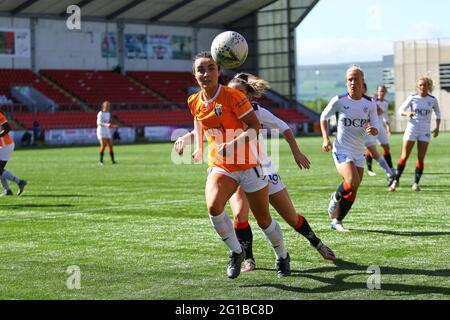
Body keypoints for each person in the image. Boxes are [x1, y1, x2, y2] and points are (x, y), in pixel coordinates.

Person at [175, 73, 336, 272]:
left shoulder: (257, 112)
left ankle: (316, 244)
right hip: (235, 171)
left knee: (288, 217)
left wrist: (296, 151)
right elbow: (204, 128)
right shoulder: (222, 109)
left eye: (240, 93)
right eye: (232, 92)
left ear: (248, 96)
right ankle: (247, 258)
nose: (235, 96)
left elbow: (284, 128)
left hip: (264, 170)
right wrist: (187, 140)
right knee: (240, 216)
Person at [187, 52, 290, 279]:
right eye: (200, 70)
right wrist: (195, 144)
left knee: (263, 220)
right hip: (221, 166)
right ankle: (236, 252)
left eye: (211, 68)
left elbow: (254, 126)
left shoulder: (233, 96)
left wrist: (234, 143)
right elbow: (200, 122)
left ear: (219, 72)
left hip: (249, 165)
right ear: (194, 75)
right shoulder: (193, 101)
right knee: (214, 207)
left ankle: (282, 256)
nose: (206, 73)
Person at [320, 65, 379, 232]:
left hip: (358, 151)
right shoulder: (339, 100)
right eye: (350, 79)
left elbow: (375, 125)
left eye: (356, 79)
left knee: (354, 188)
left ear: (362, 81)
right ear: (346, 83)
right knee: (352, 181)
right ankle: (335, 197)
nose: (353, 82)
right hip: (341, 149)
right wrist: (325, 138)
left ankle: (337, 221)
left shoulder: (369, 103)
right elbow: (324, 117)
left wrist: (373, 130)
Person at [389, 76, 441, 192]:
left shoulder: (432, 99)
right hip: (412, 129)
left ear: (429, 86)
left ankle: (416, 183)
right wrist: (407, 114)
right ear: (417, 87)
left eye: (425, 85)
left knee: (420, 158)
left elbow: (437, 113)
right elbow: (400, 110)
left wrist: (437, 127)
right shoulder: (412, 98)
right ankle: (395, 181)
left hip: (424, 131)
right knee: (404, 156)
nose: (422, 87)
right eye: (420, 85)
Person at [362, 84, 395, 187]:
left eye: (383, 91)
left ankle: (390, 168)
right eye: (380, 91)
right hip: (372, 126)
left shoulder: (384, 102)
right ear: (377, 92)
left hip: (380, 127)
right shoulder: (372, 100)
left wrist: (388, 126)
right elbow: (375, 112)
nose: (382, 93)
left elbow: (382, 114)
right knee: (370, 147)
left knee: (386, 147)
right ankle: (370, 169)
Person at [0, 111, 27, 196]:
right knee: (0, 170)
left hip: (6, 145)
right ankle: (8, 190)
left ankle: (19, 182)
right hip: (4, 146)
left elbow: (7, 128)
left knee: (0, 170)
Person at [97, 101, 116, 165]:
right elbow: (98, 123)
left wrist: (109, 125)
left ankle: (113, 160)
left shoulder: (108, 113)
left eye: (109, 106)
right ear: (104, 106)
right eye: (107, 106)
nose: (108, 107)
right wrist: (107, 125)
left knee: (110, 145)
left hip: (107, 130)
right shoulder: (100, 113)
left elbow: (107, 122)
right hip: (101, 130)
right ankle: (101, 161)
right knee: (103, 145)